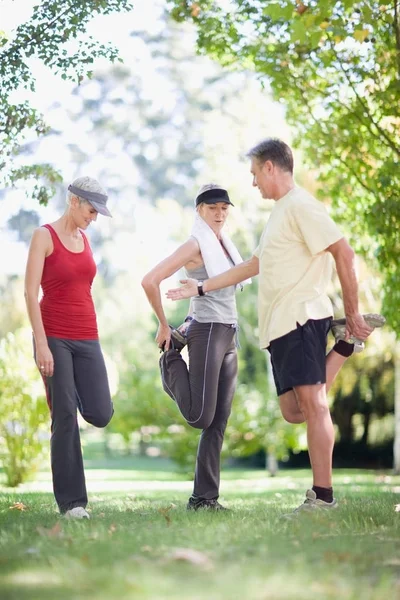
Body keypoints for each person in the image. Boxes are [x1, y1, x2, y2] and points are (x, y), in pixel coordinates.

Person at [166, 139, 385, 514]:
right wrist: (201, 286)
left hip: (301, 317)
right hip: (280, 328)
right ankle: (345, 345)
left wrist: (353, 312)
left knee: (314, 405)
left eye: (254, 174)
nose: (253, 184)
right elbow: (252, 266)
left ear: (270, 167)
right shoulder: (280, 214)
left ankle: (322, 497)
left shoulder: (301, 205)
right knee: (293, 411)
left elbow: (343, 252)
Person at [142, 183, 250, 510]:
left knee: (217, 422)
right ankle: (169, 360)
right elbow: (150, 280)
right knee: (200, 416)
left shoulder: (225, 245)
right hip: (207, 332)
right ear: (200, 210)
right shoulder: (194, 245)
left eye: (224, 208)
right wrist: (164, 324)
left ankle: (204, 499)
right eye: (212, 208)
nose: (219, 214)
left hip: (228, 332)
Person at [24, 176, 114, 519]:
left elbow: (83, 290)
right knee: (64, 416)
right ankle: (72, 504)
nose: (93, 218)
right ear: (74, 201)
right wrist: (42, 345)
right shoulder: (43, 236)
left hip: (87, 335)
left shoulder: (86, 240)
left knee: (101, 412)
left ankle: (66, 390)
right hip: (54, 336)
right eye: (91, 210)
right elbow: (31, 293)